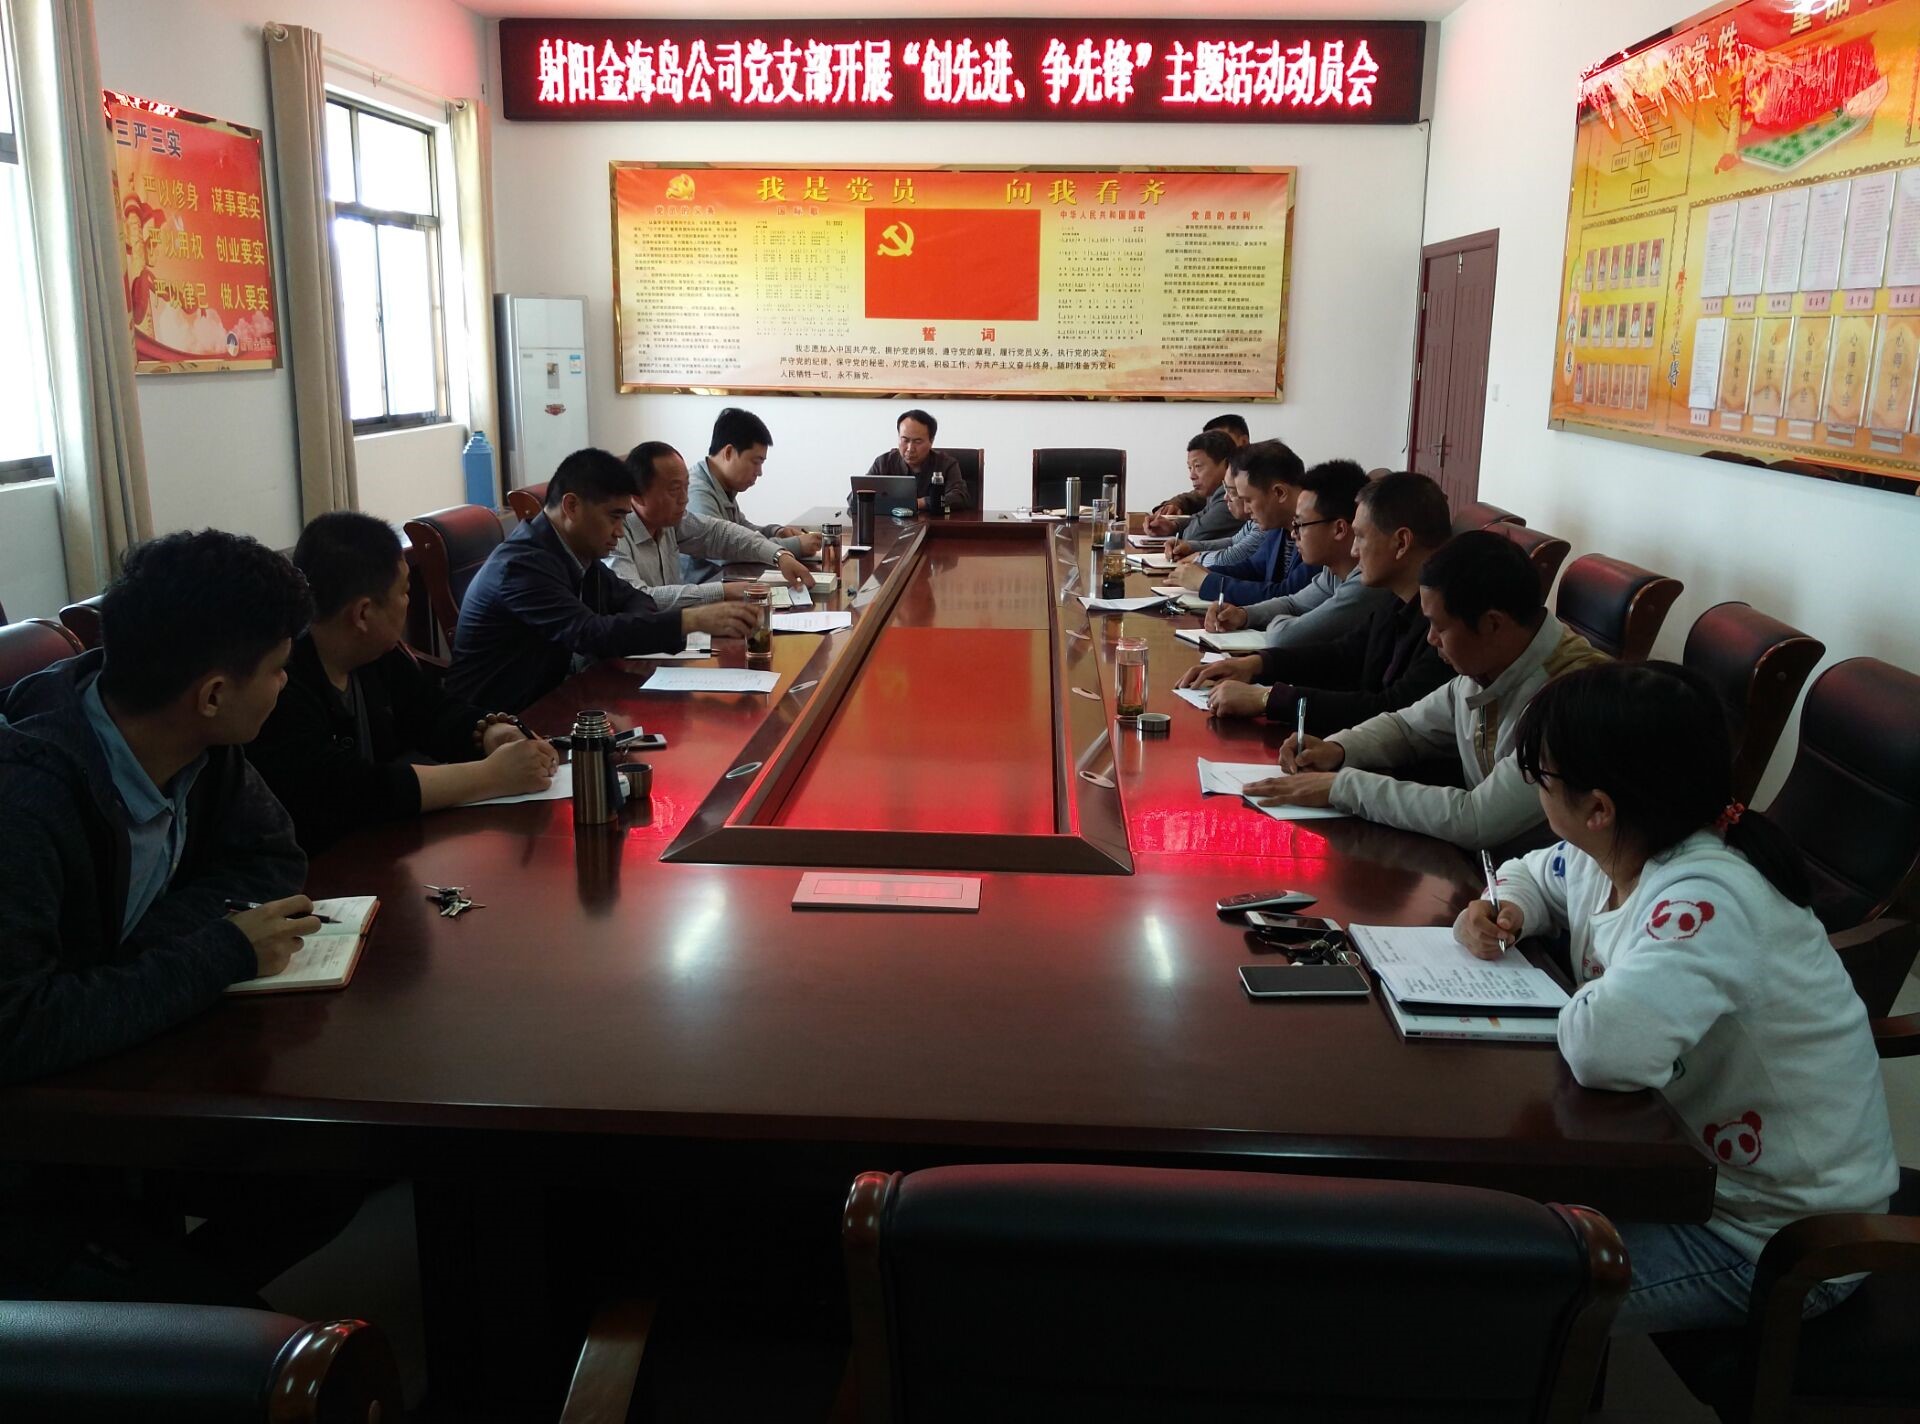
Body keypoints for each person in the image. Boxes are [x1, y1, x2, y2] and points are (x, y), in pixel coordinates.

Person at [1455, 661, 1897, 1334]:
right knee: (1477, 1229)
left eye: (1542, 778)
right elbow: (1532, 874)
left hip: (1774, 1240)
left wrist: (1573, 997)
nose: (1537, 792)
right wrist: (1506, 907)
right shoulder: (1617, 848)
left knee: (1489, 1303)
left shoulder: (1706, 899)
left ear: (1599, 808)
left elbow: (1606, 1049)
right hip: (1681, 1175)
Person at [0, 529, 318, 1083]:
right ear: (213, 695)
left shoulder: (198, 740)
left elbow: (273, 859)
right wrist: (220, 952)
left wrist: (136, 955)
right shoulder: (25, 802)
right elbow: (15, 1031)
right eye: (277, 668)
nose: (284, 683)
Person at [1245, 529, 1609, 849]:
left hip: (1542, 893)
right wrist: (1338, 749)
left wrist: (1340, 788)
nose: (1431, 639)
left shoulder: (1572, 700)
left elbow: (1477, 819)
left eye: (1439, 626)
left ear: (1492, 625)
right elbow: (1408, 728)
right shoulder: (1491, 662)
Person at [249, 511, 561, 852]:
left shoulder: (376, 653)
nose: (407, 602)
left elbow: (430, 711)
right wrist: (491, 776)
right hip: (325, 865)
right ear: (363, 614)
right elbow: (346, 791)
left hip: (384, 847)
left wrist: (489, 733)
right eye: (404, 591)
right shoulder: (279, 684)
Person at [449, 448, 758, 711]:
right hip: (499, 722)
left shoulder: (575, 553)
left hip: (560, 699)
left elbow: (635, 598)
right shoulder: (522, 567)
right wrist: (691, 620)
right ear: (571, 506)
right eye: (614, 517)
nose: (620, 531)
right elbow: (590, 633)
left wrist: (637, 630)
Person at [1181, 470, 1453, 729]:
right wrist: (1256, 664)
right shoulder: (1396, 601)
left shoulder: (1447, 624)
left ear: (1401, 542)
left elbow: (1391, 709)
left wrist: (1266, 699)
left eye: (1360, 537)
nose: (1354, 550)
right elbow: (1343, 654)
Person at [1195, 460, 1389, 652]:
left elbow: (1284, 637)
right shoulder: (1332, 572)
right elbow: (1293, 603)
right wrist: (1243, 614)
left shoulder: (1367, 584)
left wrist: (1282, 622)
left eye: (1300, 525)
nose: (1294, 534)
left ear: (1339, 529)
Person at [608, 440, 812, 607]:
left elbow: (719, 533)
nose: (684, 499)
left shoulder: (669, 521)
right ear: (637, 495)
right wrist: (722, 592)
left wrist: (778, 555)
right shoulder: (613, 536)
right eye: (674, 490)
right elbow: (639, 597)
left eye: (686, 486)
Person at [684, 407, 823, 582]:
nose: (759, 472)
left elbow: (741, 530)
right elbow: (724, 550)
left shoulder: (721, 484)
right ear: (728, 452)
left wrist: (776, 531)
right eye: (756, 462)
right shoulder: (697, 493)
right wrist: (795, 546)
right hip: (702, 589)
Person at [1171, 442, 1313, 604]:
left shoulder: (1318, 529)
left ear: (1279, 493)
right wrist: (1205, 573)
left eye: (1248, 500)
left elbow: (1287, 595)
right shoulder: (1279, 525)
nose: (1245, 508)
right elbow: (1254, 568)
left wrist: (1207, 582)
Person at [860, 408, 971, 513]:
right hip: (890, 525)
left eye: (917, 442)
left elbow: (960, 497)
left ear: (931, 441)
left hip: (934, 524)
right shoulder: (883, 463)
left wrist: (920, 503)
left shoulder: (946, 464)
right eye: (905, 440)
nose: (910, 448)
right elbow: (857, 496)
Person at [1147, 431, 1241, 548]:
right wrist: (1173, 526)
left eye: (1197, 466)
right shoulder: (1214, 493)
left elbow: (1194, 535)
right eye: (1189, 468)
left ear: (1226, 465)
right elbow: (1199, 518)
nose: (1192, 476)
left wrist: (1177, 528)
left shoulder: (1231, 495)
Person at [1149, 413, 1249, 519]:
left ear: (1243, 442)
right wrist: (1173, 505)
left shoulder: (1249, 479)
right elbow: (1195, 498)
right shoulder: (1215, 488)